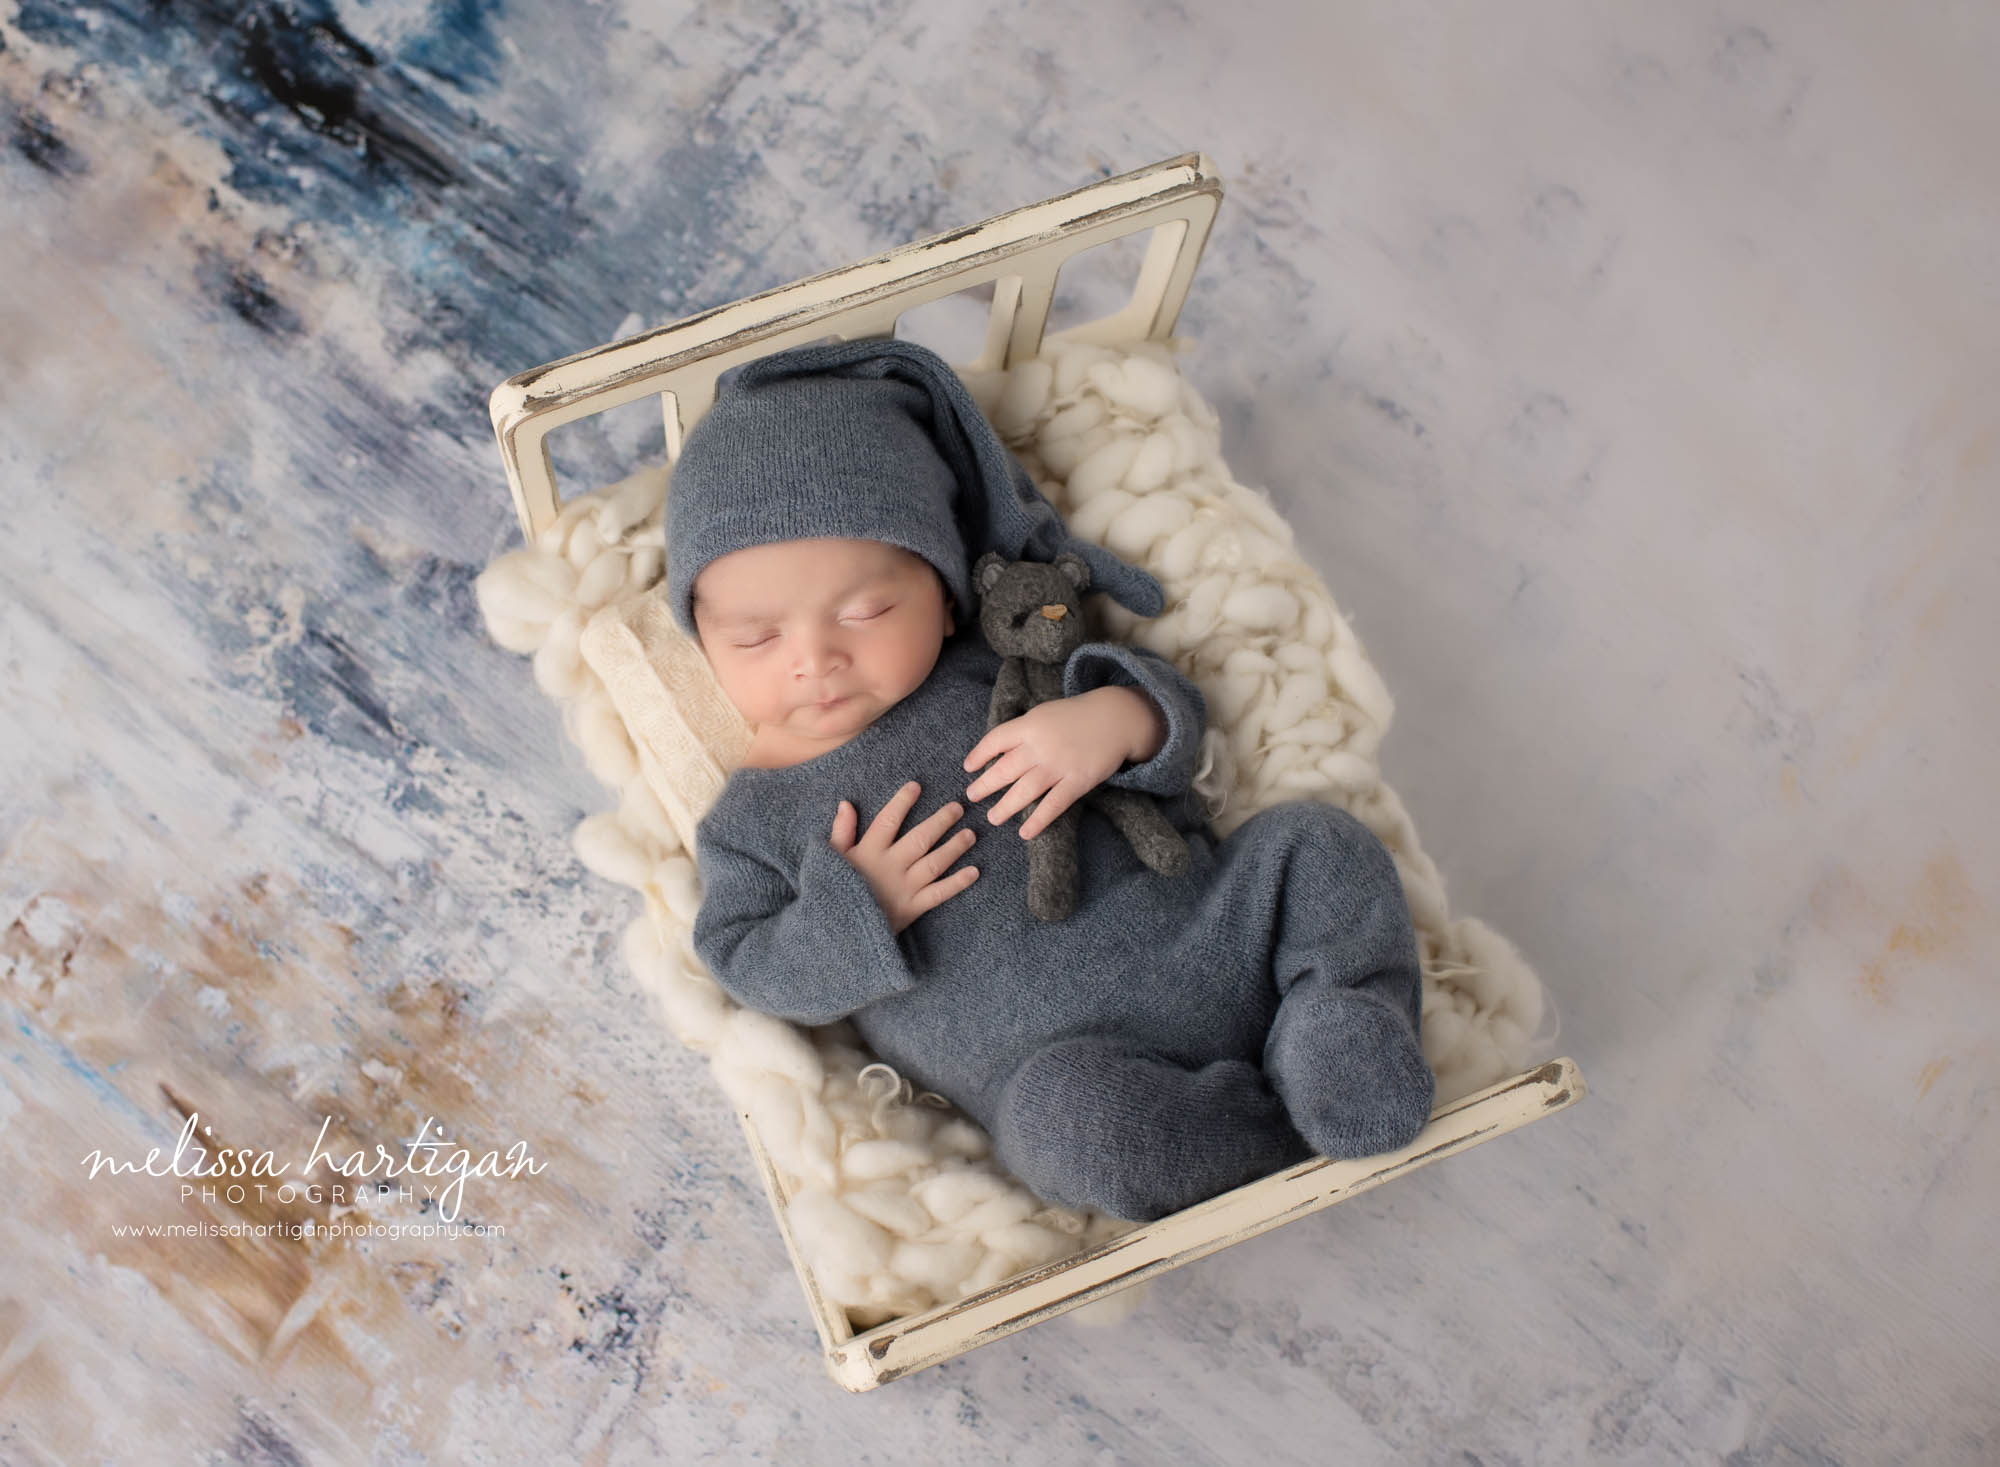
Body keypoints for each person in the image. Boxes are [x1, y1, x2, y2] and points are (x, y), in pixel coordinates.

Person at [669, 338, 1434, 1223]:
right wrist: (857, 906)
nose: (815, 659)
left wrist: (1112, 720)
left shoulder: (989, 660)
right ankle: (1277, 1125)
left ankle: (1332, 1030)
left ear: (947, 593)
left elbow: (1171, 708)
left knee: (1320, 845)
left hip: (1209, 928)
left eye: (866, 609)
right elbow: (744, 961)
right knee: (1076, 1138)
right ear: (703, 638)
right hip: (1068, 1062)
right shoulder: (750, 819)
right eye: (755, 638)